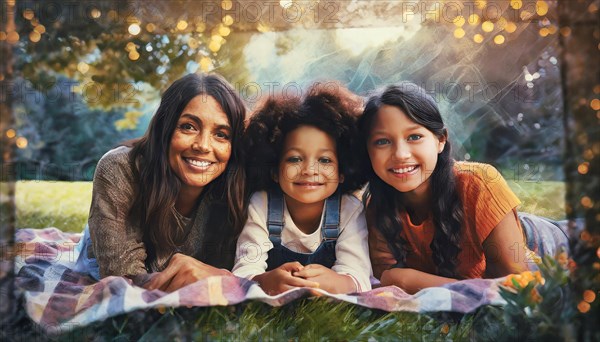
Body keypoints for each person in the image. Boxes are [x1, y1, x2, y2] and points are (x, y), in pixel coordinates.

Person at [359, 83, 568, 294]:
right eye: (382, 141)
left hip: (545, 243)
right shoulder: (376, 206)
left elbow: (518, 286)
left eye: (414, 137)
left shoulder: (480, 183)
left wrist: (411, 281)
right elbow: (385, 278)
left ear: (440, 140)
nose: (401, 154)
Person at [75, 73, 247, 292]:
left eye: (221, 134)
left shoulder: (235, 184)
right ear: (164, 128)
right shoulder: (118, 169)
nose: (203, 146)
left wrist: (221, 276)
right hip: (100, 255)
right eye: (188, 127)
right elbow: (125, 280)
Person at [232, 83, 371, 295]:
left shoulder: (349, 210)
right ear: (274, 169)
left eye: (325, 160)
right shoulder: (261, 204)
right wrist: (264, 281)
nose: (309, 170)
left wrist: (336, 282)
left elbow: (358, 275)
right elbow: (244, 270)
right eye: (295, 159)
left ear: (343, 171)